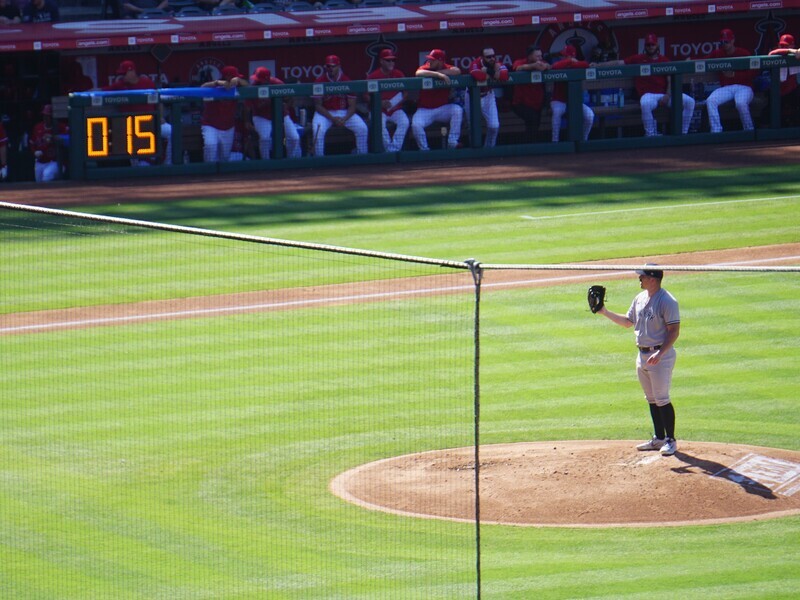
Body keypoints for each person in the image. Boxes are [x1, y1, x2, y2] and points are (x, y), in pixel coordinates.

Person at [593, 265, 681, 456]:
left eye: (641, 277)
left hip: (660, 355)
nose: (639, 279)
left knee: (662, 398)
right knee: (651, 399)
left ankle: (671, 440)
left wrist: (660, 353)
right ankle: (658, 438)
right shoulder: (639, 298)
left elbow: (674, 331)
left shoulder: (667, 301)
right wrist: (604, 312)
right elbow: (627, 322)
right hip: (642, 355)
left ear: (652, 279)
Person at [595, 33, 695, 137]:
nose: (650, 47)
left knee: (690, 102)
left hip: (664, 95)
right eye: (648, 45)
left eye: (653, 44)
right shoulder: (637, 59)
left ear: (657, 45)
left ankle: (682, 133)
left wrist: (668, 95)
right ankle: (650, 134)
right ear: (645, 46)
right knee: (645, 104)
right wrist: (598, 65)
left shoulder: (664, 60)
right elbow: (618, 63)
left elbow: (670, 80)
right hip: (648, 95)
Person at [103, 60, 173, 165]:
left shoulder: (147, 83)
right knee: (143, 166)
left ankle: (169, 163)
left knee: (170, 130)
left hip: (151, 123)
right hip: (132, 128)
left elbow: (159, 102)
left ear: (132, 72)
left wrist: (161, 117)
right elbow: (100, 92)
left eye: (124, 74)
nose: (122, 77)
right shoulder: (120, 85)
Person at [310, 55, 368, 157]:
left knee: (362, 128)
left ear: (339, 66)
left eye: (333, 66)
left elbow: (352, 106)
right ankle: (319, 160)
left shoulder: (346, 80)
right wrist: (332, 118)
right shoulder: (320, 81)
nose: (331, 69)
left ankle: (362, 156)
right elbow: (318, 106)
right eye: (328, 66)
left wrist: (344, 119)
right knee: (318, 131)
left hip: (344, 112)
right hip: (325, 113)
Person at [703, 28, 755, 133]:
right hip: (727, 88)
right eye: (722, 42)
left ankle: (749, 130)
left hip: (744, 87)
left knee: (740, 103)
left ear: (733, 40)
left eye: (726, 41)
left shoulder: (743, 53)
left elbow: (753, 73)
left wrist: (735, 74)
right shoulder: (718, 53)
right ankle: (716, 130)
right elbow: (703, 60)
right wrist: (691, 59)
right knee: (710, 100)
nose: (724, 44)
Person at [411, 48, 463, 151]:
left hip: (442, 109)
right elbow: (418, 73)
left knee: (457, 110)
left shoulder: (447, 67)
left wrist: (442, 72)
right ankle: (424, 149)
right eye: (429, 59)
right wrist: (438, 75)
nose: (429, 61)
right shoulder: (427, 67)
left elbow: (457, 71)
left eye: (432, 59)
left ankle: (452, 142)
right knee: (416, 125)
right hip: (424, 110)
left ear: (440, 61)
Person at [246, 66, 301, 159]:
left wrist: (286, 106)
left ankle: (291, 160)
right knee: (264, 138)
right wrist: (247, 121)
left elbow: (290, 97)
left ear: (267, 80)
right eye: (257, 79)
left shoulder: (277, 83)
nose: (257, 81)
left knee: (294, 137)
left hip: (280, 114)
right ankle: (266, 162)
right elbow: (247, 107)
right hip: (261, 116)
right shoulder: (253, 87)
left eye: (260, 80)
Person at [200, 65, 249, 162]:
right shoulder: (216, 85)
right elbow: (202, 87)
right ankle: (207, 173)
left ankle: (221, 176)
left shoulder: (237, 86)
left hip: (228, 127)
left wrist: (238, 80)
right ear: (227, 77)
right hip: (211, 125)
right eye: (233, 76)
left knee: (224, 157)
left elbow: (248, 85)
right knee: (210, 146)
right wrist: (217, 83)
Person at [367, 48, 409, 152]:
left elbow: (406, 93)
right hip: (379, 110)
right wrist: (379, 103)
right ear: (381, 61)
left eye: (392, 60)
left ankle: (393, 149)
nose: (391, 62)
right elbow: (366, 96)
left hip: (395, 109)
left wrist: (396, 102)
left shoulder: (398, 74)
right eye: (388, 60)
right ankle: (389, 150)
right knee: (379, 125)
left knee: (405, 122)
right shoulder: (373, 76)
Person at [549, 45, 594, 142]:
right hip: (558, 100)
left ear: (572, 56)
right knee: (557, 113)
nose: (563, 57)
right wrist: (569, 61)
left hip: (574, 101)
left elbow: (585, 64)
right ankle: (555, 141)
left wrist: (572, 62)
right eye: (563, 56)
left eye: (566, 56)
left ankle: (584, 139)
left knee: (590, 115)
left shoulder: (577, 65)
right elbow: (556, 66)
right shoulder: (560, 64)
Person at [468, 46, 509, 148]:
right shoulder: (475, 63)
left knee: (494, 126)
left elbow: (505, 76)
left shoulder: (496, 63)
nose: (492, 59)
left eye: (493, 56)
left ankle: (489, 148)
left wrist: (489, 71)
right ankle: (474, 151)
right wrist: (495, 74)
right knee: (471, 126)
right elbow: (479, 77)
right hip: (472, 97)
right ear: (482, 57)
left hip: (488, 96)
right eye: (488, 57)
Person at [511, 45, 550, 142]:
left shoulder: (542, 63)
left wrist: (545, 66)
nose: (540, 58)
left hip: (537, 102)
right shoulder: (520, 62)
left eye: (540, 56)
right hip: (520, 103)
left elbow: (549, 66)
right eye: (537, 56)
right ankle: (528, 145)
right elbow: (517, 68)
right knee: (532, 119)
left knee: (535, 124)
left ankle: (531, 145)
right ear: (529, 56)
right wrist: (533, 66)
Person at [767, 33, 800, 126]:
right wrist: (790, 50)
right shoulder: (775, 53)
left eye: (786, 45)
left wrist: (797, 51)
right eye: (781, 45)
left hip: (792, 91)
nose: (782, 47)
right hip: (776, 91)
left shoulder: (796, 54)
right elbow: (771, 53)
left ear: (793, 45)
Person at [29, 104, 68, 183]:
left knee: (47, 176)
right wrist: (35, 152)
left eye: (48, 116)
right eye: (44, 115)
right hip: (40, 161)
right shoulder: (38, 127)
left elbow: (71, 137)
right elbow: (32, 143)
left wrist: (53, 138)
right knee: (39, 182)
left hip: (55, 162)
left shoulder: (60, 127)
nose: (46, 118)